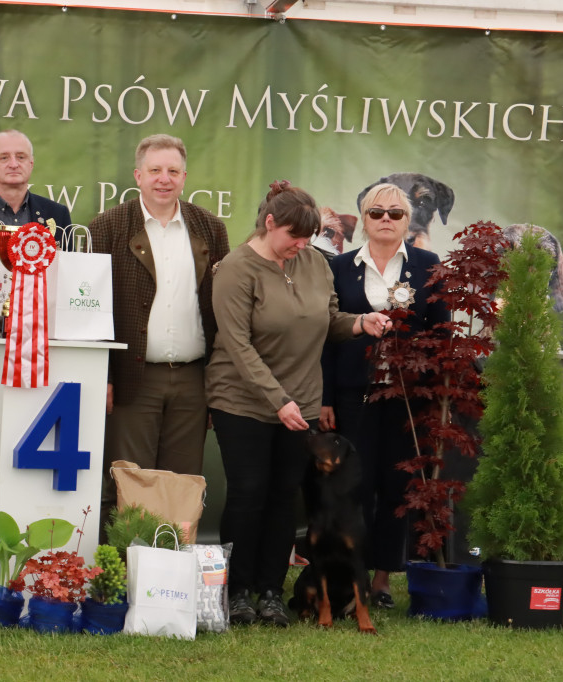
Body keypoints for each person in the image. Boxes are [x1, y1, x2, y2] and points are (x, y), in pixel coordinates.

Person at [206, 181, 391, 627]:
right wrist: (278, 400)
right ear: (270, 223)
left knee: (284, 498)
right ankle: (237, 592)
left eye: (308, 239)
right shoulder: (235, 270)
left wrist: (361, 323)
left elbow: (328, 320)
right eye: (293, 237)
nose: (301, 246)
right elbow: (237, 345)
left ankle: (271, 590)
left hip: (301, 402)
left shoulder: (314, 264)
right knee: (248, 495)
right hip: (244, 399)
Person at [320, 183, 448, 608]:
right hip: (354, 394)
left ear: (408, 222)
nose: (386, 220)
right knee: (353, 487)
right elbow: (325, 338)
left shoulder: (429, 265)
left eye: (396, 213)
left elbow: (440, 334)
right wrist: (324, 398)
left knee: (398, 488)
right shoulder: (338, 266)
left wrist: (433, 394)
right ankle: (348, 574)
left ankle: (382, 580)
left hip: (408, 399)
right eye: (377, 213)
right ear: (364, 219)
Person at [89, 133, 229, 520]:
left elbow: (224, 310)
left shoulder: (210, 229)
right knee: (128, 483)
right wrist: (104, 376)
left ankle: (172, 575)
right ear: (138, 175)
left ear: (184, 177)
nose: (163, 179)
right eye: (155, 170)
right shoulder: (107, 227)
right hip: (133, 378)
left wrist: (219, 379)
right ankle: (123, 575)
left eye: (172, 171)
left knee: (181, 485)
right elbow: (90, 307)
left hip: (193, 381)